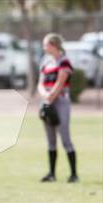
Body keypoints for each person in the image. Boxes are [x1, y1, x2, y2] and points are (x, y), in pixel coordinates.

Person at [37, 33, 79, 183]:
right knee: (50, 138)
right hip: (47, 102)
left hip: (60, 102)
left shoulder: (64, 62)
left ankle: (74, 174)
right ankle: (51, 174)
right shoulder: (46, 62)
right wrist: (44, 97)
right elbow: (40, 83)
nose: (44, 47)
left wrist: (50, 97)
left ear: (53, 45)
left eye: (45, 44)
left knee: (65, 137)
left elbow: (60, 83)